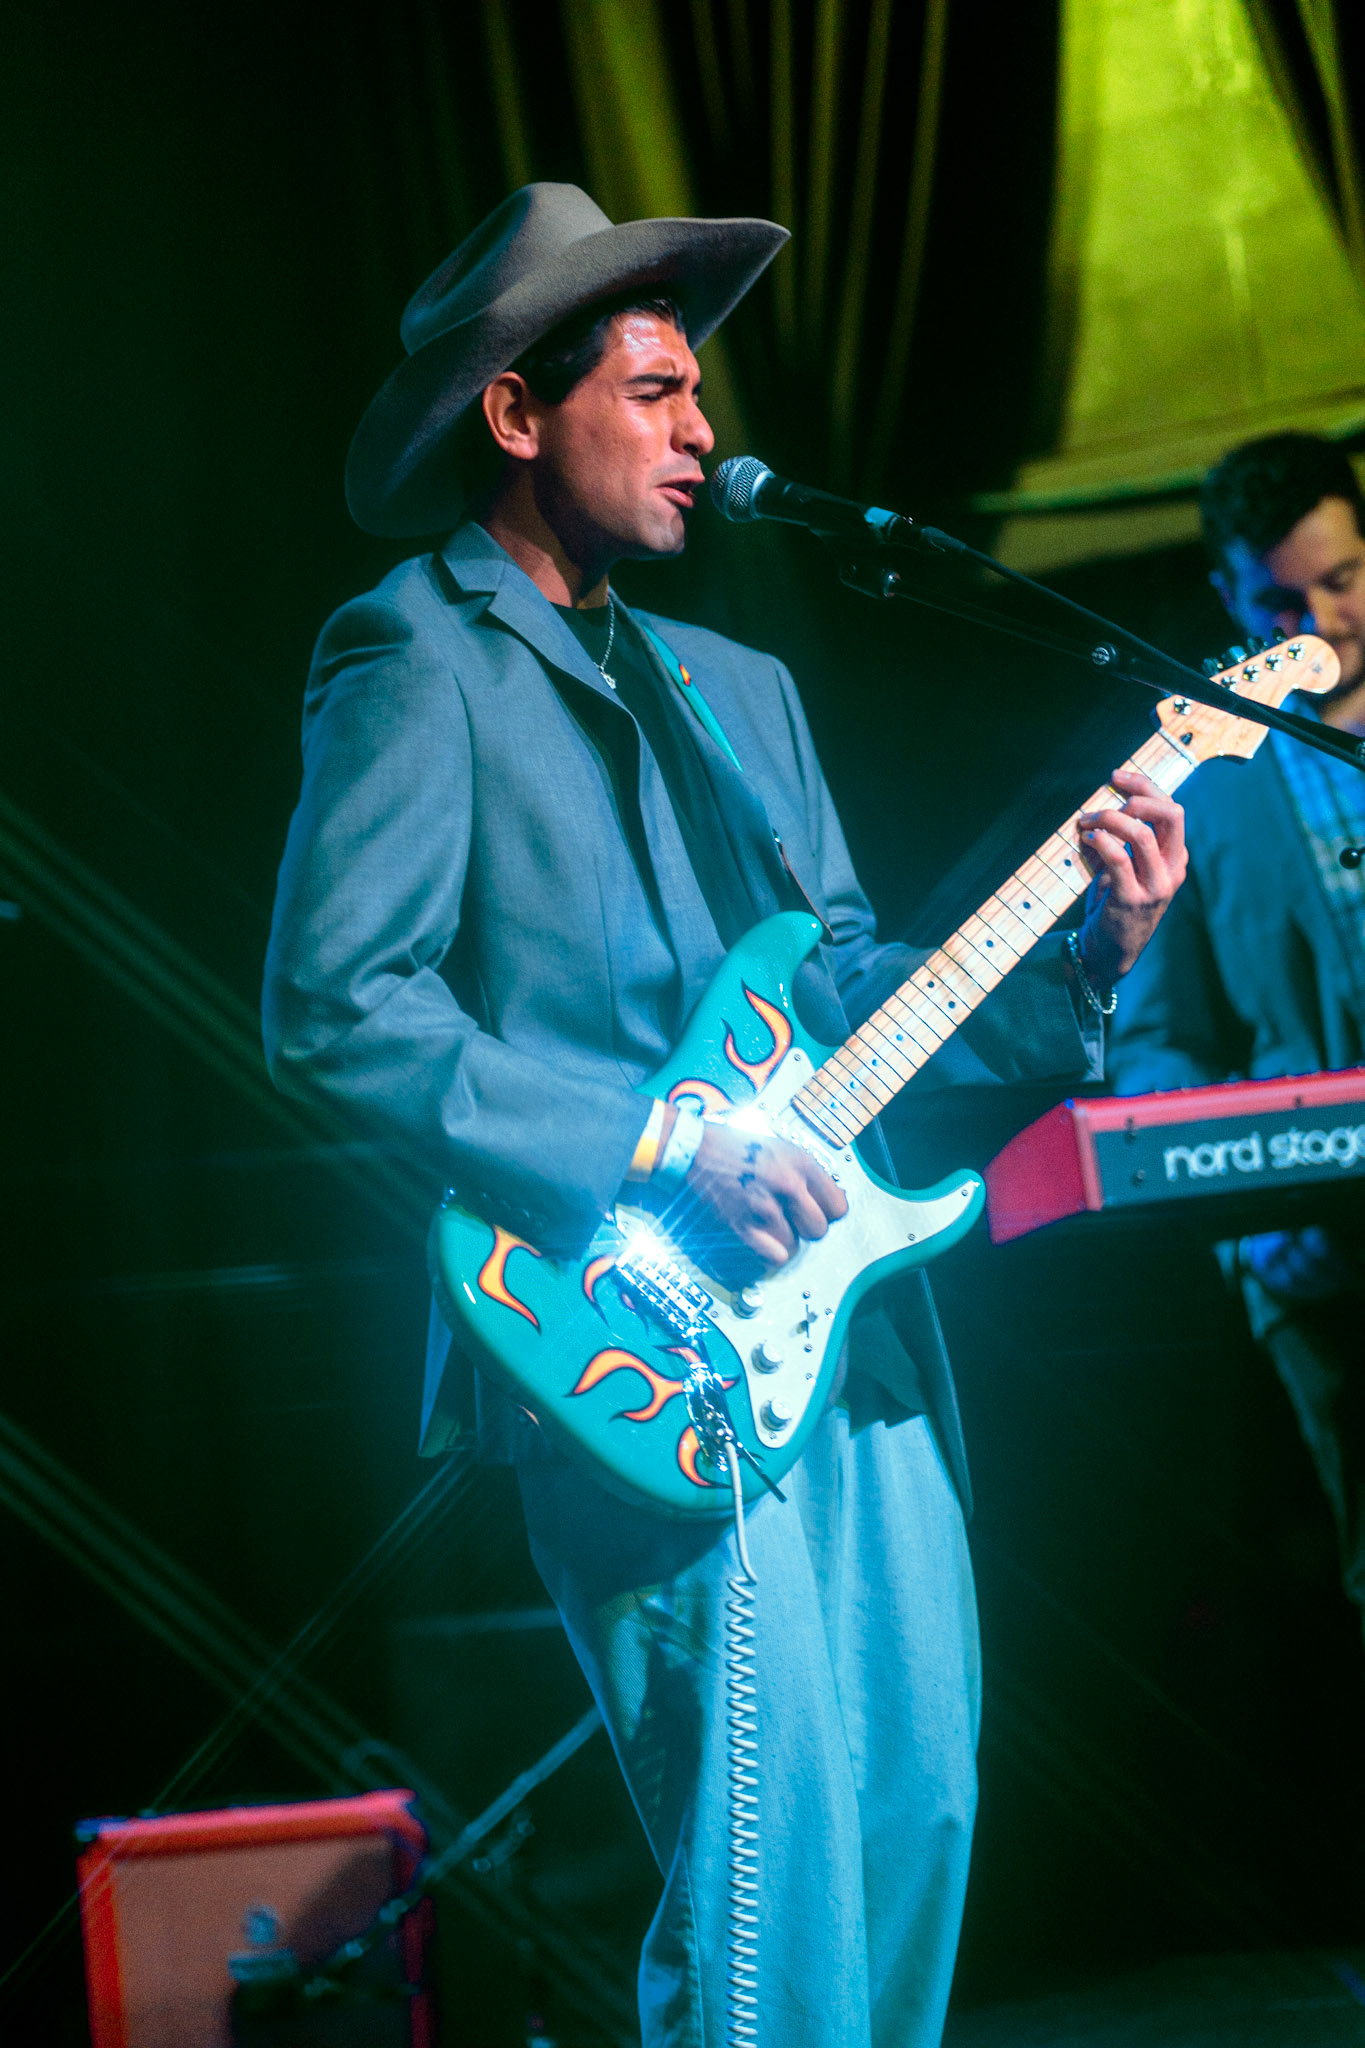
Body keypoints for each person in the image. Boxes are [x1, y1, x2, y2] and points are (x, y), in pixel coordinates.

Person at [262, 183, 1185, 2048]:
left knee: (914, 1819)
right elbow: (334, 1004)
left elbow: (845, 997)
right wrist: (663, 1140)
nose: (703, 430)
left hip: (850, 1324)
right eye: (657, 390)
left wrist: (1080, 956)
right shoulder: (412, 655)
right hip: (626, 1333)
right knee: (772, 1879)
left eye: (699, 392)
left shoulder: (738, 688)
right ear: (516, 414)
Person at [1107, 431, 1365, 1626]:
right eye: (1280, 604)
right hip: (1330, 1266)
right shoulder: (1199, 780)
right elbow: (1154, 1046)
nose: (1321, 623)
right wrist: (1249, 1239)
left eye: (1344, 580)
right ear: (1227, 596)